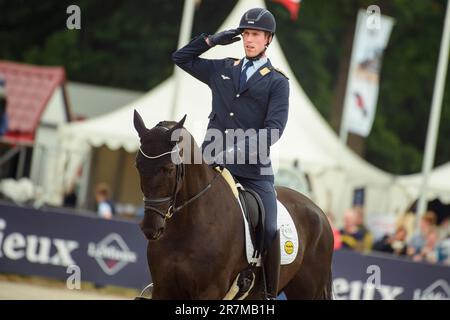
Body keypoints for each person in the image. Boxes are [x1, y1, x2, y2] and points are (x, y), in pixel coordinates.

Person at [172, 8, 289, 299]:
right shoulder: (223, 67)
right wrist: (212, 41)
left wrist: (236, 151)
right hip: (210, 165)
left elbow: (273, 131)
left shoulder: (277, 81)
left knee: (271, 227)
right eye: (246, 34)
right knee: (173, 207)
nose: (249, 40)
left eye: (256, 35)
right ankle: (167, 276)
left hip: (252, 172)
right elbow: (180, 58)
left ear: (268, 39)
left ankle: (266, 291)